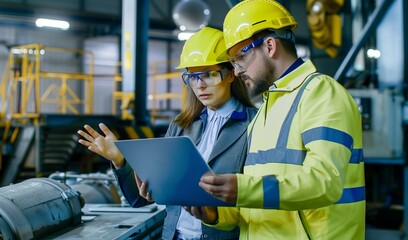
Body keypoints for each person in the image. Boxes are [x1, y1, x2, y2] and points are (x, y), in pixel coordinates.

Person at [186, 1, 366, 239]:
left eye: (241, 57)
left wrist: (242, 189)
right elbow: (255, 205)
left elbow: (325, 182)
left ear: (269, 46)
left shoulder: (321, 94)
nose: (237, 71)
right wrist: (217, 215)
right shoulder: (264, 111)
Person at [77, 26, 257, 240]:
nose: (200, 85)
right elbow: (140, 200)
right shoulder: (182, 125)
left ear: (231, 74)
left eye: (209, 75)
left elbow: (256, 199)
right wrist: (121, 161)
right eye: (192, 77)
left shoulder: (254, 124)